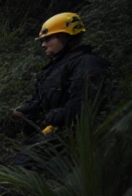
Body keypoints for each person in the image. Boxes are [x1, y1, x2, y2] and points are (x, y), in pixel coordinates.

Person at [11, 12, 107, 168]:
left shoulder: (86, 63)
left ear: (66, 37)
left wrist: (60, 116)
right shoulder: (55, 67)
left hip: (69, 138)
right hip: (50, 134)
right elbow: (40, 98)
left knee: (20, 167)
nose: (44, 45)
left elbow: (85, 102)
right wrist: (24, 110)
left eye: (48, 39)